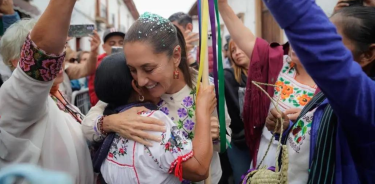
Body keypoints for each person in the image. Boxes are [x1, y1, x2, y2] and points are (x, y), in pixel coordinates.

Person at [83, 12, 232, 184]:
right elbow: (87, 126)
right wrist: (111, 123)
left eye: (149, 69)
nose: (140, 80)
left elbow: (226, 140)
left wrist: (215, 136)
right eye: (132, 69)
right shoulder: (133, 86)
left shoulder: (206, 87)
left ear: (176, 56)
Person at [260, 2, 375, 183]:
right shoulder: (327, 97)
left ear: (368, 54)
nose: (316, 50)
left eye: (332, 43)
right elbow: (315, 141)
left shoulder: (367, 104)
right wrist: (286, 129)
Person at [0, 0, 94, 183]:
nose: (60, 58)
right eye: (56, 50)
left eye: (62, 49)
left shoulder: (56, 95)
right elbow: (41, 52)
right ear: (15, 62)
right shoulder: (15, 101)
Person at [218, 0, 316, 171]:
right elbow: (247, 40)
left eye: (305, 36)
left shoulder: (329, 85)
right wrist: (222, 5)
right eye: (292, 34)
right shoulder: (280, 63)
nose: (295, 42)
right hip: (265, 155)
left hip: (303, 166)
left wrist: (298, 122)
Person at [93, 52, 215, 183]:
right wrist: (203, 111)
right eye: (146, 72)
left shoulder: (109, 122)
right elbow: (199, 169)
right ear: (137, 86)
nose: (151, 79)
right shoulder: (151, 123)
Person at [223, 40, 251, 184]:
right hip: (238, 140)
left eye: (241, 48)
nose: (237, 53)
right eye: (233, 50)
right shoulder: (228, 75)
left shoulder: (266, 74)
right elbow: (205, 78)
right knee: (242, 178)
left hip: (262, 139)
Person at [88, 28, 125, 106]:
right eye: (112, 43)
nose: (117, 46)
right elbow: (94, 98)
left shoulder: (133, 62)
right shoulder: (97, 64)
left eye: (121, 43)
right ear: (104, 47)